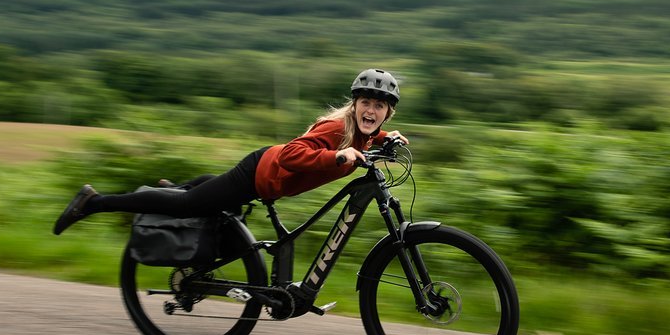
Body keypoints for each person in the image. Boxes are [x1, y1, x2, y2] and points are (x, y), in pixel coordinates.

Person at [52, 68, 406, 235]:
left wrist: (391, 137)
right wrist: (335, 157)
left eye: (380, 107)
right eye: (366, 103)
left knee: (215, 199)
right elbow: (290, 155)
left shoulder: (365, 134)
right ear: (355, 104)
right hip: (258, 173)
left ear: (387, 112)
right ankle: (93, 203)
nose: (372, 111)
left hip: (265, 182)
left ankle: (178, 186)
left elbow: (369, 140)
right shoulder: (336, 129)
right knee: (188, 207)